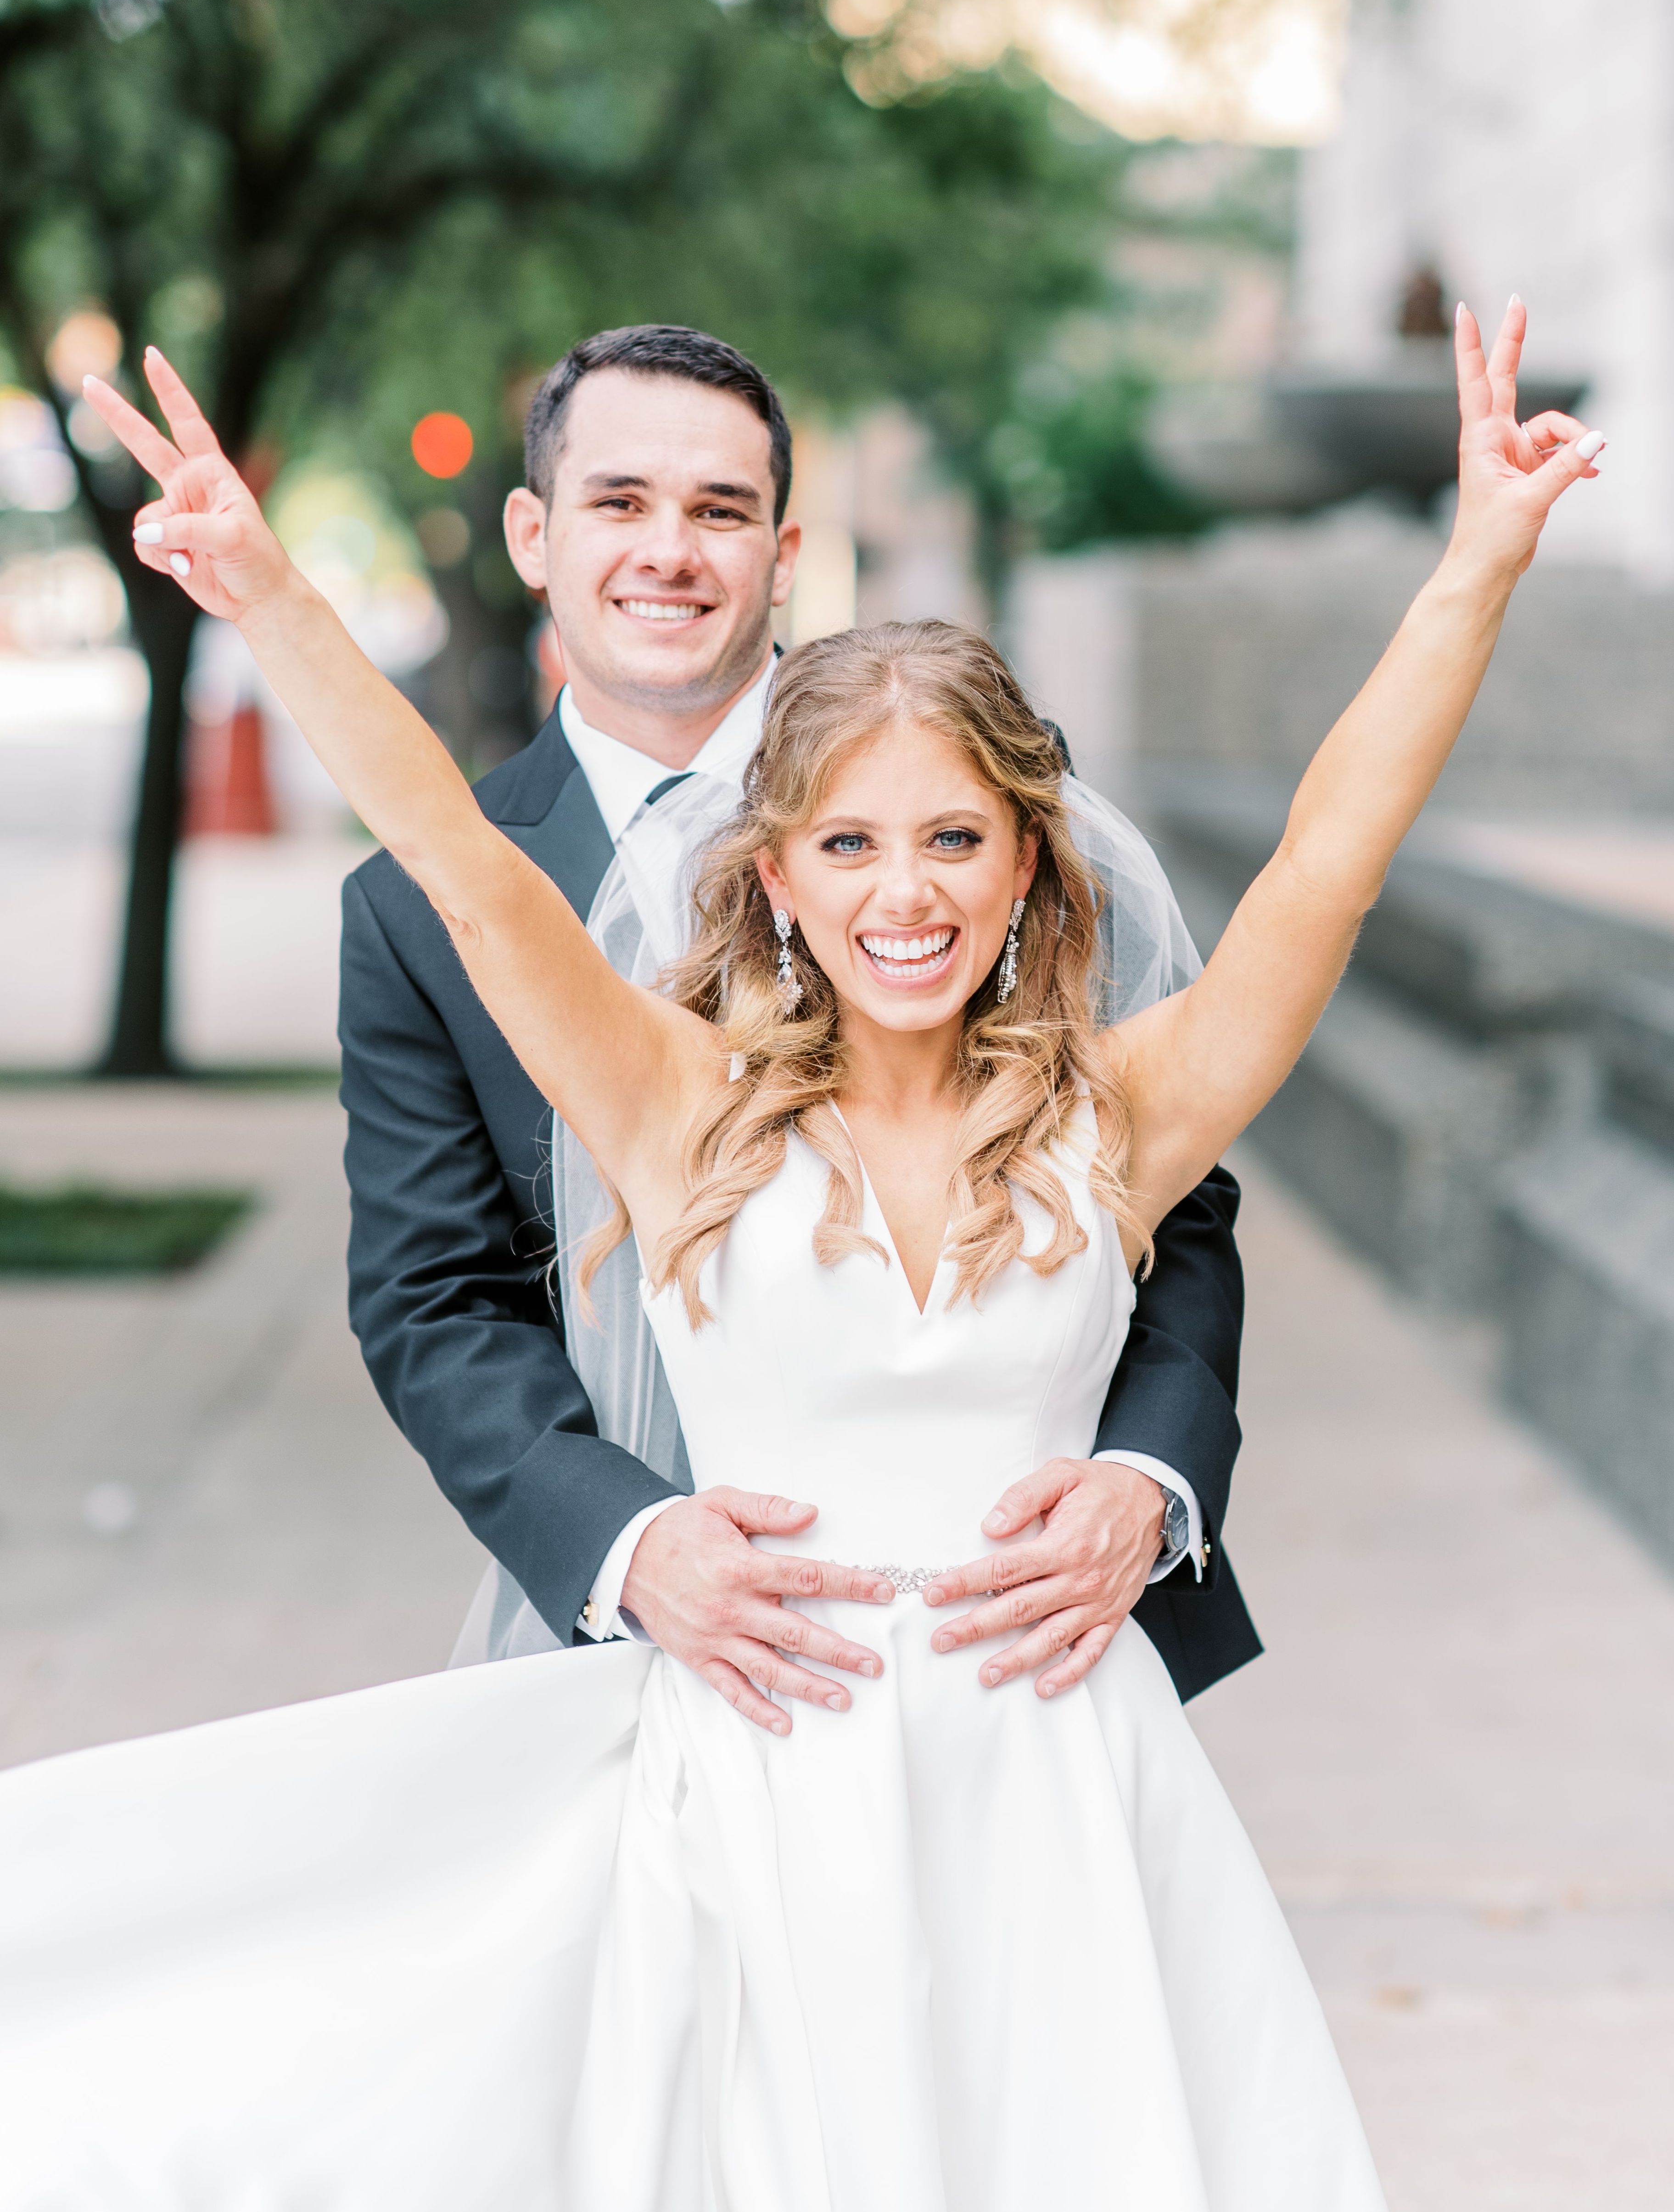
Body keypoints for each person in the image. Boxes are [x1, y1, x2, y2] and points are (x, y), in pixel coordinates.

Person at [0, 302, 1602, 2210]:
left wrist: (1479, 562)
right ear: (774, 877)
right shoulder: (678, 1113)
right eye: (846, 844)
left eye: (953, 840)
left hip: (1062, 1787)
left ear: (1030, 863)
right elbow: (457, 860)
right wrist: (265, 594)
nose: (903, 891)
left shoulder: (1126, 1115)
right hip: (766, 1772)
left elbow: (1334, 854)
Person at [340, 322, 1256, 1708]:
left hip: (1015, 1628)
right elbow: (433, 1292)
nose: (671, 551)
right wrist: (628, 1543)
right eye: (620, 503)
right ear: (533, 534)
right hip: (634, 1633)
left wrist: (1147, 1478)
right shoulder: (417, 900)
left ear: (782, 553)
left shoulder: (975, 801)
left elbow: (1164, 1187)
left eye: (721, 510)